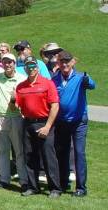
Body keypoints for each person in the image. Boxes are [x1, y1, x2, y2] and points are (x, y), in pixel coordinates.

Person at [16, 56, 62, 198]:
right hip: (28, 123)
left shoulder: (47, 84)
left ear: (37, 67)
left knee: (48, 157)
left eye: (33, 66)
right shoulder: (21, 86)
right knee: (29, 156)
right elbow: (19, 105)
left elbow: (54, 106)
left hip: (44, 123)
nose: (31, 69)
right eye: (28, 66)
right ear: (25, 68)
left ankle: (55, 188)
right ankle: (33, 186)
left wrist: (48, 126)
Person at [51, 51, 94, 197]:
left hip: (79, 121)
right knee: (61, 153)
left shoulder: (81, 77)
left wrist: (88, 82)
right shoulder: (54, 79)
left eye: (67, 61)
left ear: (73, 62)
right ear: (58, 63)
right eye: (61, 61)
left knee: (79, 153)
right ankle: (63, 183)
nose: (64, 64)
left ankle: (81, 188)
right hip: (62, 121)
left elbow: (92, 85)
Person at [0, 53, 28, 190]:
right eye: (5, 62)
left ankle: (24, 180)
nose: (8, 64)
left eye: (10, 62)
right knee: (3, 151)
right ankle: (4, 179)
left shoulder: (22, 79)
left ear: (14, 63)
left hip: (16, 117)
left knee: (19, 151)